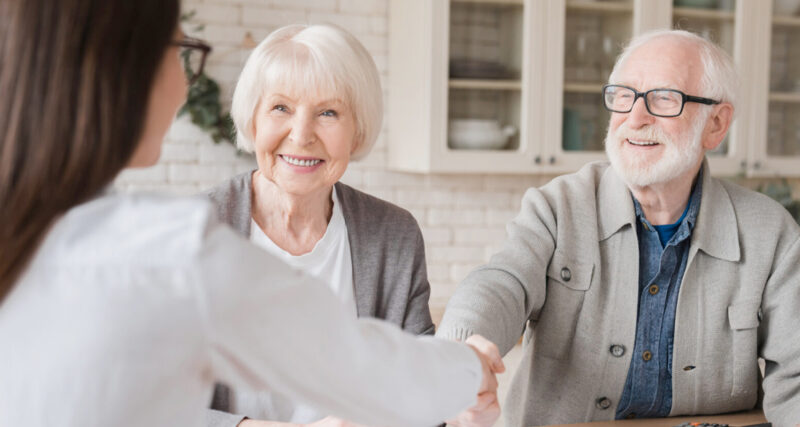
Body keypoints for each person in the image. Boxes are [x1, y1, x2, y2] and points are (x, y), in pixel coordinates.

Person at [0, 1, 505, 427]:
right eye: (181, 54)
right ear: (125, 72)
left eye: (328, 112)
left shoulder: (38, 231)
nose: (182, 84)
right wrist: (468, 369)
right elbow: (350, 363)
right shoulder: (173, 251)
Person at [437, 29, 800, 426]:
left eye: (664, 99)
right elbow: (501, 283)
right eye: (624, 95)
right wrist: (462, 348)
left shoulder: (772, 234)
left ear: (715, 123)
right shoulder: (558, 207)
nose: (635, 118)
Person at [203, 24, 442, 427]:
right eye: (280, 108)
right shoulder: (194, 232)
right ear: (254, 120)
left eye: (328, 113)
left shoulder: (393, 236)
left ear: (357, 129)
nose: (301, 135)